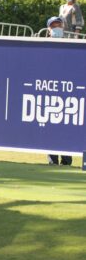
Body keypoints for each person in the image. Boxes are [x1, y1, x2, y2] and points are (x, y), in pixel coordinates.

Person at [45, 16, 73, 166]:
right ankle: (52, 159)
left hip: (67, 93)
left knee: (67, 127)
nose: (57, 28)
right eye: (54, 26)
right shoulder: (43, 45)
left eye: (59, 25)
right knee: (50, 127)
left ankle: (67, 160)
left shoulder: (71, 45)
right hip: (49, 93)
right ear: (48, 29)